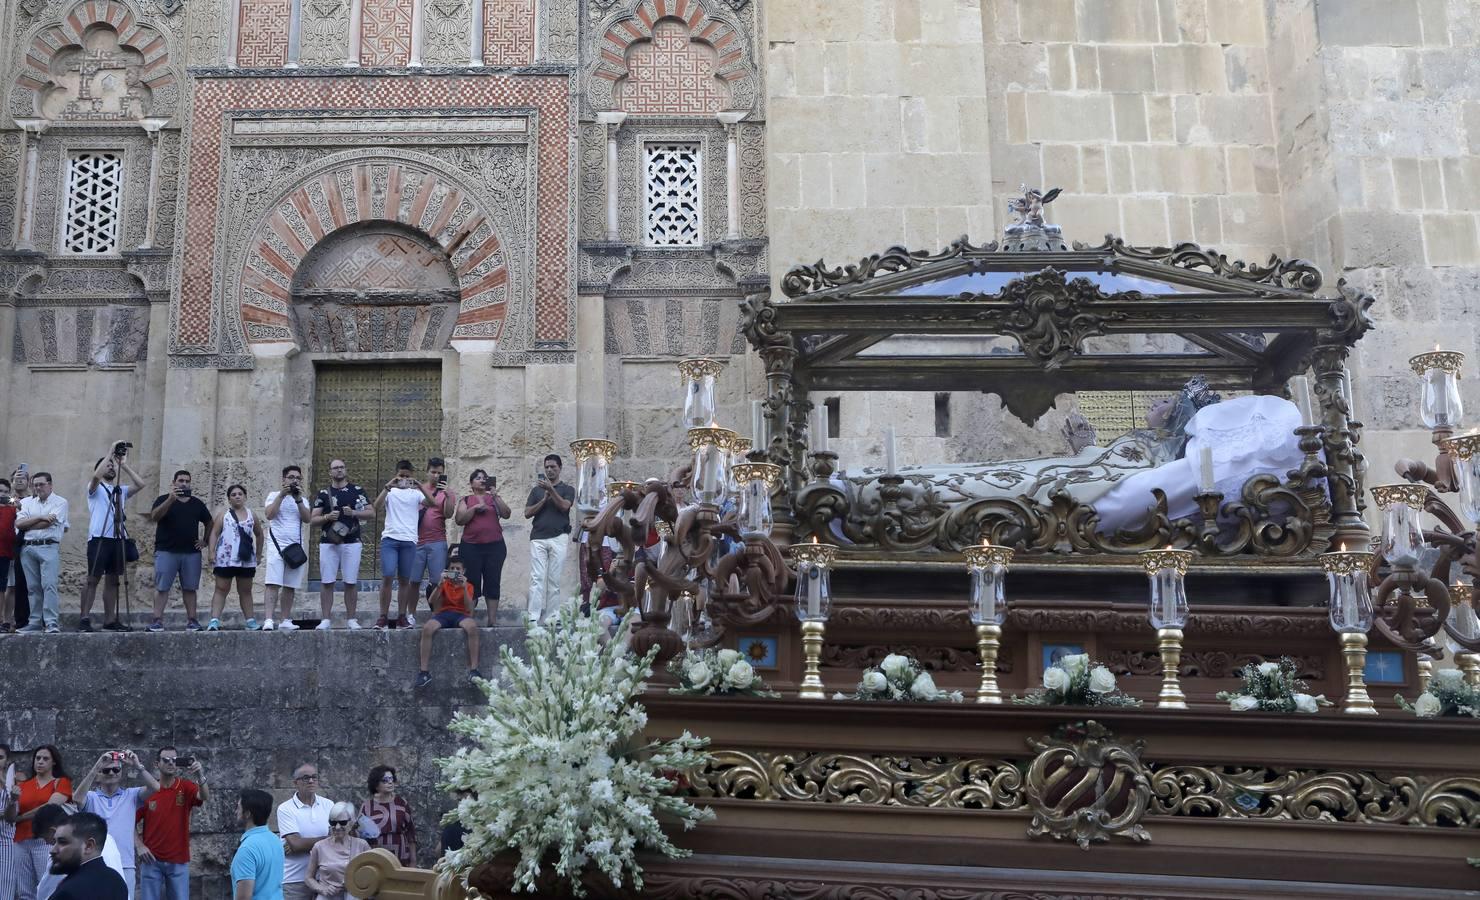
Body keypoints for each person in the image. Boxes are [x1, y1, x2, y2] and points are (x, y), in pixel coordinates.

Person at [75, 749, 159, 900]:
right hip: (96, 862)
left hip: (125, 864)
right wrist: (96, 767)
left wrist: (137, 765)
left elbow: (156, 788)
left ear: (121, 773)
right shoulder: (91, 797)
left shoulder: (131, 795)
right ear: (99, 775)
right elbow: (77, 799)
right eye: (106, 770)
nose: (112, 773)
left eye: (116, 769)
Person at [80, 443, 144, 632]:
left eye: (111, 466)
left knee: (113, 580)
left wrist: (123, 464)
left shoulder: (120, 490)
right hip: (99, 538)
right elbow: (95, 476)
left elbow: (141, 484)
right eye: (107, 465)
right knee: (92, 579)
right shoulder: (94, 489)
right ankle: (84, 617)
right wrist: (109, 453)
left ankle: (110, 620)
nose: (110, 467)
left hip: (117, 538)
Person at [147, 471, 215, 632]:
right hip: (166, 551)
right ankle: (157, 621)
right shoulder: (163, 499)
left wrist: (204, 541)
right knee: (162, 587)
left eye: (187, 481)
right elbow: (154, 517)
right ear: (174, 482)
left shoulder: (197, 503)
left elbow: (209, 521)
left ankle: (192, 620)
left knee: (190, 588)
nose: (184, 483)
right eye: (180, 480)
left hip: (191, 553)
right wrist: (171, 499)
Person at [135, 748, 206, 900]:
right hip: (151, 861)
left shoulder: (186, 787)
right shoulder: (148, 791)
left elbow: (204, 796)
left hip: (178, 860)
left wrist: (200, 774)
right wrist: (139, 846)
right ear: (157, 764)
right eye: (166, 760)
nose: (171, 763)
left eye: (174, 760)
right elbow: (129, 822)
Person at [310, 460, 373, 630]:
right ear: (330, 472)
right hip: (329, 542)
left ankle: (352, 619)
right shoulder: (323, 493)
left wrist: (354, 513)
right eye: (335, 468)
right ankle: (325, 619)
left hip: (352, 542)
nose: (339, 470)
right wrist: (327, 517)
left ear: (346, 470)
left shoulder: (357, 490)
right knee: (327, 580)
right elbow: (312, 519)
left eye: (341, 467)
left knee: (350, 581)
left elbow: (371, 512)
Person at [374, 461, 436, 630]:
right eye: (401, 475)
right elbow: (376, 507)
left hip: (409, 540)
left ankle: (402, 616)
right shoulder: (390, 492)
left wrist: (420, 487)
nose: (404, 479)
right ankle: (383, 617)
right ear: (396, 475)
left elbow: (433, 503)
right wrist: (388, 486)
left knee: (404, 580)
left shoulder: (415, 494)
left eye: (408, 476)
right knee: (387, 575)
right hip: (390, 539)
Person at [415, 551, 481, 687]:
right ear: (447, 570)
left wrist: (463, 588)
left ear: (464, 571)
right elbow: (432, 601)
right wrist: (439, 584)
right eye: (452, 569)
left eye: (458, 569)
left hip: (461, 615)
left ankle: (474, 670)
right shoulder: (444, 584)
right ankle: (424, 672)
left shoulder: (468, 586)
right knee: (427, 628)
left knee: (472, 627)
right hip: (444, 614)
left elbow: (469, 608)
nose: (455, 571)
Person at [13, 746, 71, 900]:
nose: (40, 762)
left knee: (47, 886)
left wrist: (21, 817)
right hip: (20, 840)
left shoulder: (61, 782)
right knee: (24, 891)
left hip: (45, 839)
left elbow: (50, 806)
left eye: (45, 759)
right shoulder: (23, 786)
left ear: (54, 763)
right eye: (37, 758)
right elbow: (12, 813)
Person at [523, 454, 575, 624]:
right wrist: (544, 499)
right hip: (538, 538)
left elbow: (565, 506)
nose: (549, 470)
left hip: (559, 537)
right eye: (547, 467)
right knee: (537, 577)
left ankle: (552, 617)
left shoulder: (568, 489)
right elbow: (527, 513)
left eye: (553, 467)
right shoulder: (536, 491)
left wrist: (551, 491)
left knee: (554, 579)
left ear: (560, 468)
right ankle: (533, 616)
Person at [453, 469, 509, 624]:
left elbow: (506, 514)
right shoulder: (466, 500)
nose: (482, 480)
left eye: (485, 478)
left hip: (495, 547)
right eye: (478, 478)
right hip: (471, 548)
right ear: (471, 483)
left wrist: (495, 495)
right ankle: (469, 620)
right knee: (471, 583)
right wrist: (475, 508)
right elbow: (460, 520)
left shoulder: (493, 498)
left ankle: (492, 621)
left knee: (493, 582)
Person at [206, 485, 265, 631]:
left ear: (245, 496)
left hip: (245, 559)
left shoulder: (252, 515)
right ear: (229, 498)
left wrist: (258, 554)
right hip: (225, 558)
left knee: (245, 590)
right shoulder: (223, 515)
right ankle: (214, 620)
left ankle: (250, 621)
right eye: (233, 494)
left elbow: (259, 534)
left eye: (240, 494)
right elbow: (214, 533)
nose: (237, 496)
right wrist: (211, 552)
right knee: (221, 588)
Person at [16, 474, 69, 634]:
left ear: (50, 485)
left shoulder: (60, 502)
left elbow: (49, 522)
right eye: (35, 485)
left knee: (49, 585)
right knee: (32, 587)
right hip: (28, 548)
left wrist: (30, 523)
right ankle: (35, 622)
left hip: (48, 547)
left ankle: (51, 622)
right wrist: (40, 517)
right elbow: (19, 523)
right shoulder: (26, 502)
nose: (38, 488)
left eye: (41, 484)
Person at [264, 466, 312, 631]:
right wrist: (282, 495)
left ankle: (285, 619)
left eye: (298, 478)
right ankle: (269, 619)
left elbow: (307, 519)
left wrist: (298, 499)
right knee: (272, 583)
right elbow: (269, 514)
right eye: (291, 477)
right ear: (284, 479)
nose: (294, 481)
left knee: (289, 585)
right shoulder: (273, 495)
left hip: (294, 548)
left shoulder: (303, 500)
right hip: (276, 546)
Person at [277, 763, 333, 900]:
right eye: (306, 778)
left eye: (314, 777)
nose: (311, 781)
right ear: (295, 783)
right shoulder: (285, 809)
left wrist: (303, 843)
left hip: (324, 878)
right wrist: (329, 839)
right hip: (295, 880)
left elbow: (340, 840)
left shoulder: (329, 805)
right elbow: (296, 845)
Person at [45, 812, 127, 900]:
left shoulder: (69, 891)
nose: (52, 850)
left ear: (89, 846)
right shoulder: (116, 880)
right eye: (55, 842)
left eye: (62, 842)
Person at [413, 458, 456, 615]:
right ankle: (411, 614)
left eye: (439, 473)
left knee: (438, 581)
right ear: (427, 472)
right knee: (413, 581)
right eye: (433, 472)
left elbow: (449, 514)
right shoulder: (418, 490)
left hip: (437, 541)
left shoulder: (448, 493)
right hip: (416, 542)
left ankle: (438, 613)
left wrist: (447, 496)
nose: (436, 475)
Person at [302, 801, 367, 900]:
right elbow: (308, 878)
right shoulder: (319, 847)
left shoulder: (361, 845)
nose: (337, 827)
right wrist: (322, 889)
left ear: (352, 822)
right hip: (327, 896)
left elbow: (371, 875)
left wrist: (357, 884)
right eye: (333, 822)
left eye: (342, 822)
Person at [230, 789, 283, 900]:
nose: (236, 812)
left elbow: (243, 897)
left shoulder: (247, 849)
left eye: (238, 808)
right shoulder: (275, 840)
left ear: (248, 814)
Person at [359, 766, 416, 868]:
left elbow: (410, 833)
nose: (390, 782)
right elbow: (360, 836)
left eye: (391, 779)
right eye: (385, 780)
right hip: (376, 858)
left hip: (401, 857)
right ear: (376, 785)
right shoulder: (367, 806)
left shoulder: (401, 803)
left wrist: (413, 861)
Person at [0, 479, 20, 633]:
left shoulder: (12, 509)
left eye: (6, 492)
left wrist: (17, 504)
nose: (3, 495)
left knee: (2, 588)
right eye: (0, 491)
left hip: (6, 553)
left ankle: (3, 620)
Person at [2, 743, 20, 900]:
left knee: (5, 889)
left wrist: (13, 800)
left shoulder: (13, 785)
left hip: (5, 842)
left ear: (7, 761)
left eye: (0, 758)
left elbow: (11, 818)